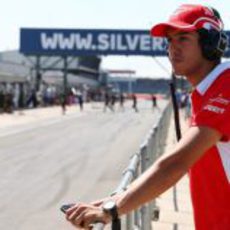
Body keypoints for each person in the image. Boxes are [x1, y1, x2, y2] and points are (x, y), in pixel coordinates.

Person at [64, 4, 230, 229]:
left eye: (183, 38)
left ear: (211, 44)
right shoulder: (209, 90)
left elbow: (177, 163)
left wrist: (112, 209)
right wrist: (117, 198)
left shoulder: (225, 87)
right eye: (169, 40)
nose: (173, 48)